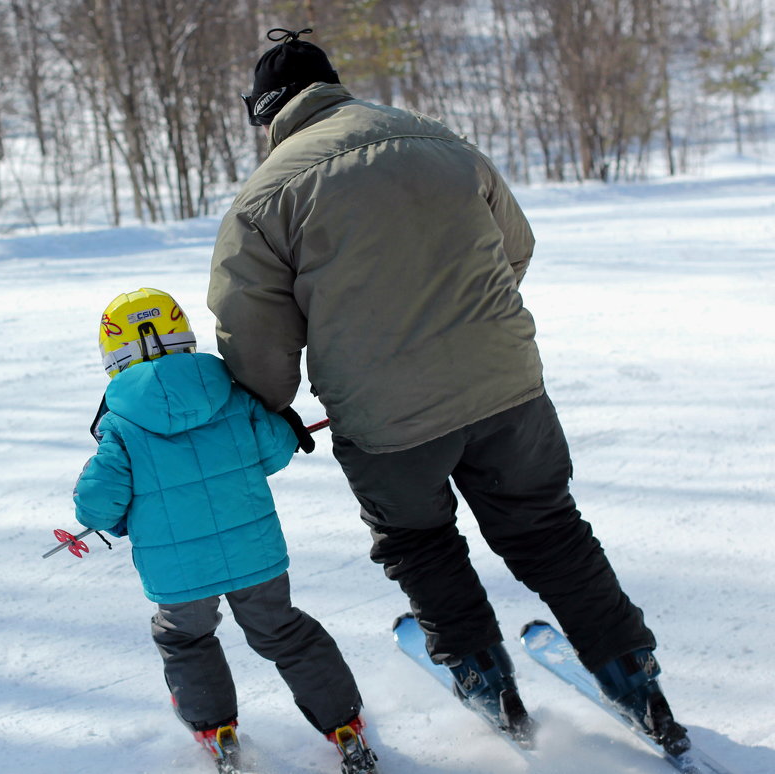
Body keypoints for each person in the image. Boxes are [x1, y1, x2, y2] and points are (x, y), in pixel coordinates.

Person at [207, 27, 689, 754]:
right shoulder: (440, 141)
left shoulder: (266, 195)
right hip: (507, 389)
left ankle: (482, 674)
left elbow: (257, 339)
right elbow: (514, 247)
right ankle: (632, 674)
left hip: (385, 422)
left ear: (268, 113)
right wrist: (471, 332)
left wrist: (274, 407)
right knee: (549, 530)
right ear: (332, 83)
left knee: (418, 541)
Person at [74, 287, 379, 774]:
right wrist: (286, 427)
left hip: (179, 571)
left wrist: (110, 519)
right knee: (282, 631)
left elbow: (98, 501)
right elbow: (273, 451)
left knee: (185, 638)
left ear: (113, 355)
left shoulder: (121, 420)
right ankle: (344, 726)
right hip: (253, 553)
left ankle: (216, 730)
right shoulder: (229, 392)